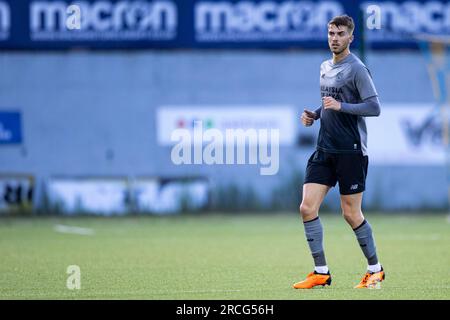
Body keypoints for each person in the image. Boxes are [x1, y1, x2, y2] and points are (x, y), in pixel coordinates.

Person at [293, 15, 384, 289]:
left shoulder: (357, 69)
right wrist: (316, 114)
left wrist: (340, 107)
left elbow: (374, 107)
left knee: (351, 214)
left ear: (350, 38)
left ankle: (375, 269)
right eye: (331, 33)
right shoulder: (323, 66)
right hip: (325, 148)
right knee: (307, 208)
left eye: (340, 33)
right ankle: (321, 272)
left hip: (351, 151)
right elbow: (330, 103)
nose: (334, 38)